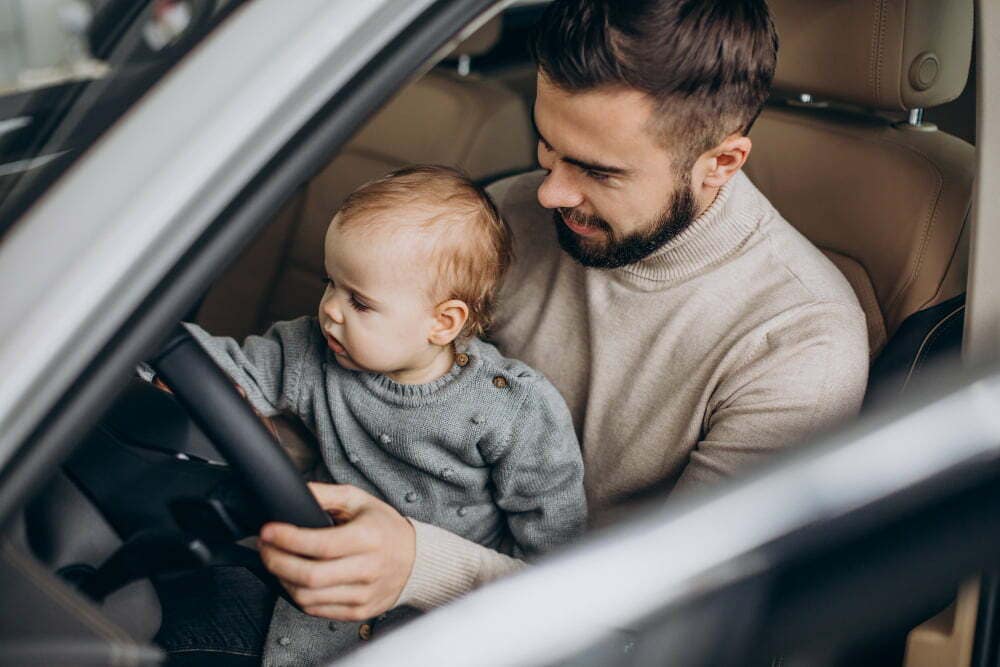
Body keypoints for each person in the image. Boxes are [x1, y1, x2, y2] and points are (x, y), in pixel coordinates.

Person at [247, 0, 869, 638]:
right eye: (548, 148)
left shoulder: (799, 345)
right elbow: (384, 405)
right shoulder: (509, 218)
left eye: (598, 171)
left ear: (721, 163)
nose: (550, 193)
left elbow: (668, 623)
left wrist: (421, 566)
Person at [175, 165, 587, 663]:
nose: (330, 309)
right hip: (314, 600)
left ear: (443, 321)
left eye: (361, 302)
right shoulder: (309, 351)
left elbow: (555, 550)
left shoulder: (515, 410)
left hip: (439, 633)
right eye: (331, 283)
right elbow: (217, 370)